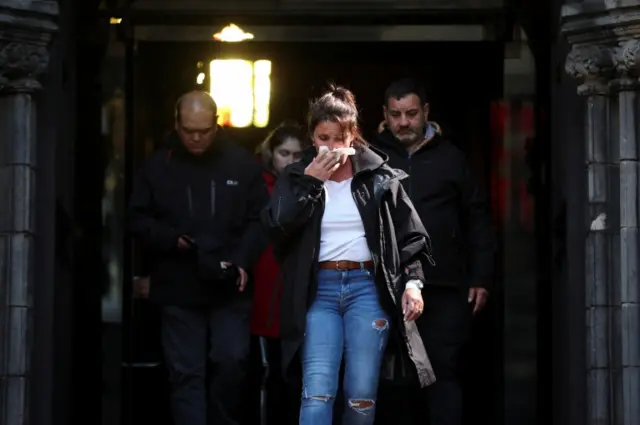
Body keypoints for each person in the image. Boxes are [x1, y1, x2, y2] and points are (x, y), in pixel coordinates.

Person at [261, 85, 436, 425]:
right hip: (318, 290)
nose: (330, 146)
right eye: (322, 137)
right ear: (312, 136)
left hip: (366, 288)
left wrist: (413, 284)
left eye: (338, 138)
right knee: (317, 392)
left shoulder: (378, 176)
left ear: (352, 136)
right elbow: (275, 226)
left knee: (360, 397)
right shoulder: (297, 176)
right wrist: (311, 182)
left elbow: (410, 235)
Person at [127, 90, 269, 425]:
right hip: (177, 282)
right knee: (184, 373)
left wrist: (241, 260)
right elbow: (135, 219)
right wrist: (170, 239)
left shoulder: (242, 163)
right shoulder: (157, 166)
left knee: (232, 361)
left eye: (203, 130)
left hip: (228, 281)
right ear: (177, 125)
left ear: (216, 125)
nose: (195, 137)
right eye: (188, 130)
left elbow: (261, 220)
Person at [374, 78, 495, 425]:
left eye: (411, 113)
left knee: (444, 375)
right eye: (395, 114)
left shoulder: (451, 157)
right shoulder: (372, 158)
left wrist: (481, 276)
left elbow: (478, 218)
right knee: (390, 381)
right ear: (385, 114)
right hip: (385, 288)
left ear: (426, 112)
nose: (403, 122)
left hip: (444, 286)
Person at [251, 121, 305, 425]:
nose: (290, 160)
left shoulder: (313, 185)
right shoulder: (256, 185)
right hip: (263, 284)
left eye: (297, 155)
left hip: (298, 288)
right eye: (284, 153)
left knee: (298, 375)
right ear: (271, 153)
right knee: (267, 371)